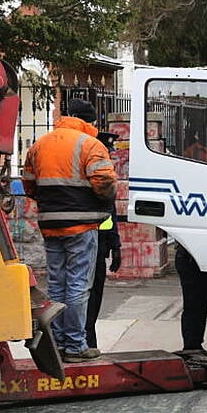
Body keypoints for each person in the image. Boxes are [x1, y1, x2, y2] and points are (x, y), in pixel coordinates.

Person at [23, 98, 117, 363]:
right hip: (81, 225)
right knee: (77, 285)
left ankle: (59, 342)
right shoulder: (90, 144)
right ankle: (76, 346)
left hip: (50, 225)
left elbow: (28, 184)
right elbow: (105, 182)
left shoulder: (40, 144)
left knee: (56, 284)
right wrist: (104, 202)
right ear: (89, 122)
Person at [84, 131, 122, 348]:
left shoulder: (105, 172)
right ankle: (86, 340)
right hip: (88, 242)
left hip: (101, 245)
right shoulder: (91, 170)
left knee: (95, 295)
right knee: (86, 295)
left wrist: (116, 245)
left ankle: (90, 338)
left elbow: (111, 211)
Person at [175, 243, 207, 357]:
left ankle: (195, 344)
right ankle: (191, 346)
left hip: (199, 259)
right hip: (191, 259)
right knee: (194, 305)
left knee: (201, 304)